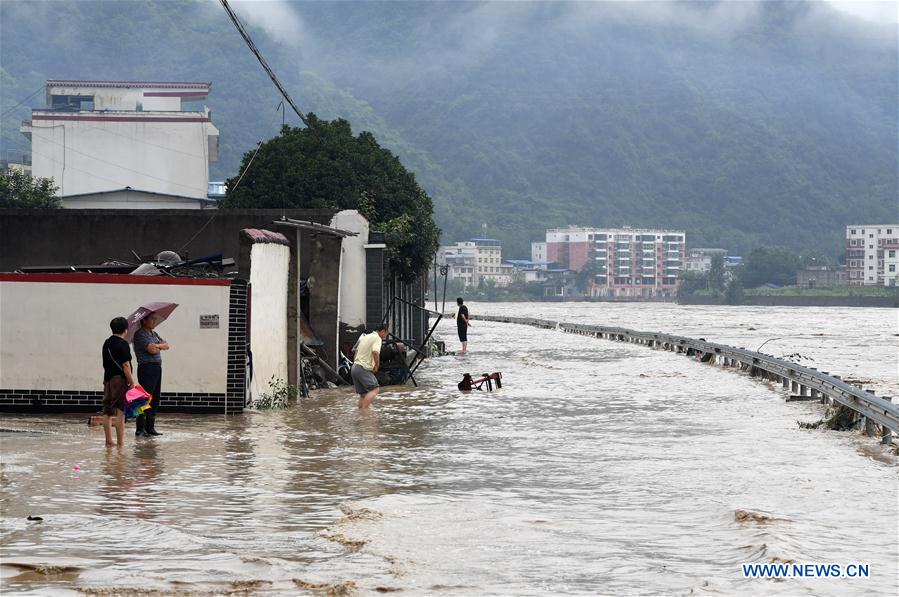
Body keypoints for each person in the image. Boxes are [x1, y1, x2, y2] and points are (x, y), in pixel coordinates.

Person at [133, 314, 170, 437]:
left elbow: (167, 345)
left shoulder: (154, 334)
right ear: (144, 320)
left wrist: (158, 345)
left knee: (155, 398)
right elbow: (151, 350)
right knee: (145, 398)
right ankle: (140, 428)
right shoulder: (140, 334)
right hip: (146, 368)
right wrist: (159, 346)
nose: (155, 321)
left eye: (155, 319)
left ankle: (150, 427)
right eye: (152, 319)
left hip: (157, 367)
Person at [101, 316, 134, 447]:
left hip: (108, 379)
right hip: (120, 380)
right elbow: (125, 365)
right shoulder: (123, 344)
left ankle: (108, 441)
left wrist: (105, 380)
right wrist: (132, 382)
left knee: (107, 411)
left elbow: (105, 364)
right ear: (125, 330)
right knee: (121, 411)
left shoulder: (106, 343)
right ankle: (120, 443)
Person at [352, 324, 389, 409]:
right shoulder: (377, 338)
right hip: (363, 368)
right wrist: (377, 365)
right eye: (386, 334)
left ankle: (361, 413)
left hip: (355, 367)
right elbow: (375, 352)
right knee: (375, 389)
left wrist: (355, 363)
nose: (385, 336)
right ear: (383, 331)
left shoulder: (365, 337)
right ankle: (365, 412)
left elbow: (356, 351)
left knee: (363, 394)